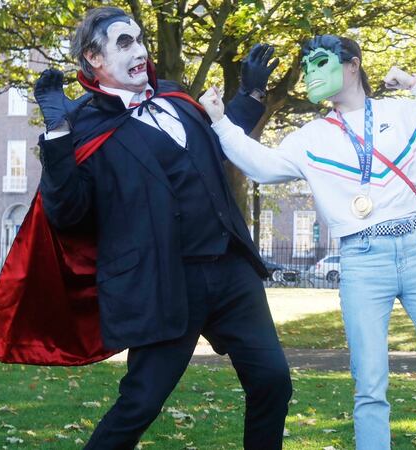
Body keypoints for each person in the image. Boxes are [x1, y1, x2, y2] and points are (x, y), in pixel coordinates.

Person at [200, 35, 416, 450]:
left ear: (352, 65)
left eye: (320, 61)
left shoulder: (405, 113)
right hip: (362, 258)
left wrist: (415, 84)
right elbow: (261, 166)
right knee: (370, 383)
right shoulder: (311, 136)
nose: (311, 73)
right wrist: (220, 120)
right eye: (307, 67)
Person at [33, 7, 290, 449]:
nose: (140, 51)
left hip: (230, 271)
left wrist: (249, 93)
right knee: (140, 403)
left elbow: (220, 144)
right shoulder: (84, 127)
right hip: (164, 284)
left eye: (140, 39)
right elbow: (68, 212)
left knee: (273, 381)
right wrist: (57, 133)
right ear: (94, 58)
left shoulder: (174, 98)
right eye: (124, 43)